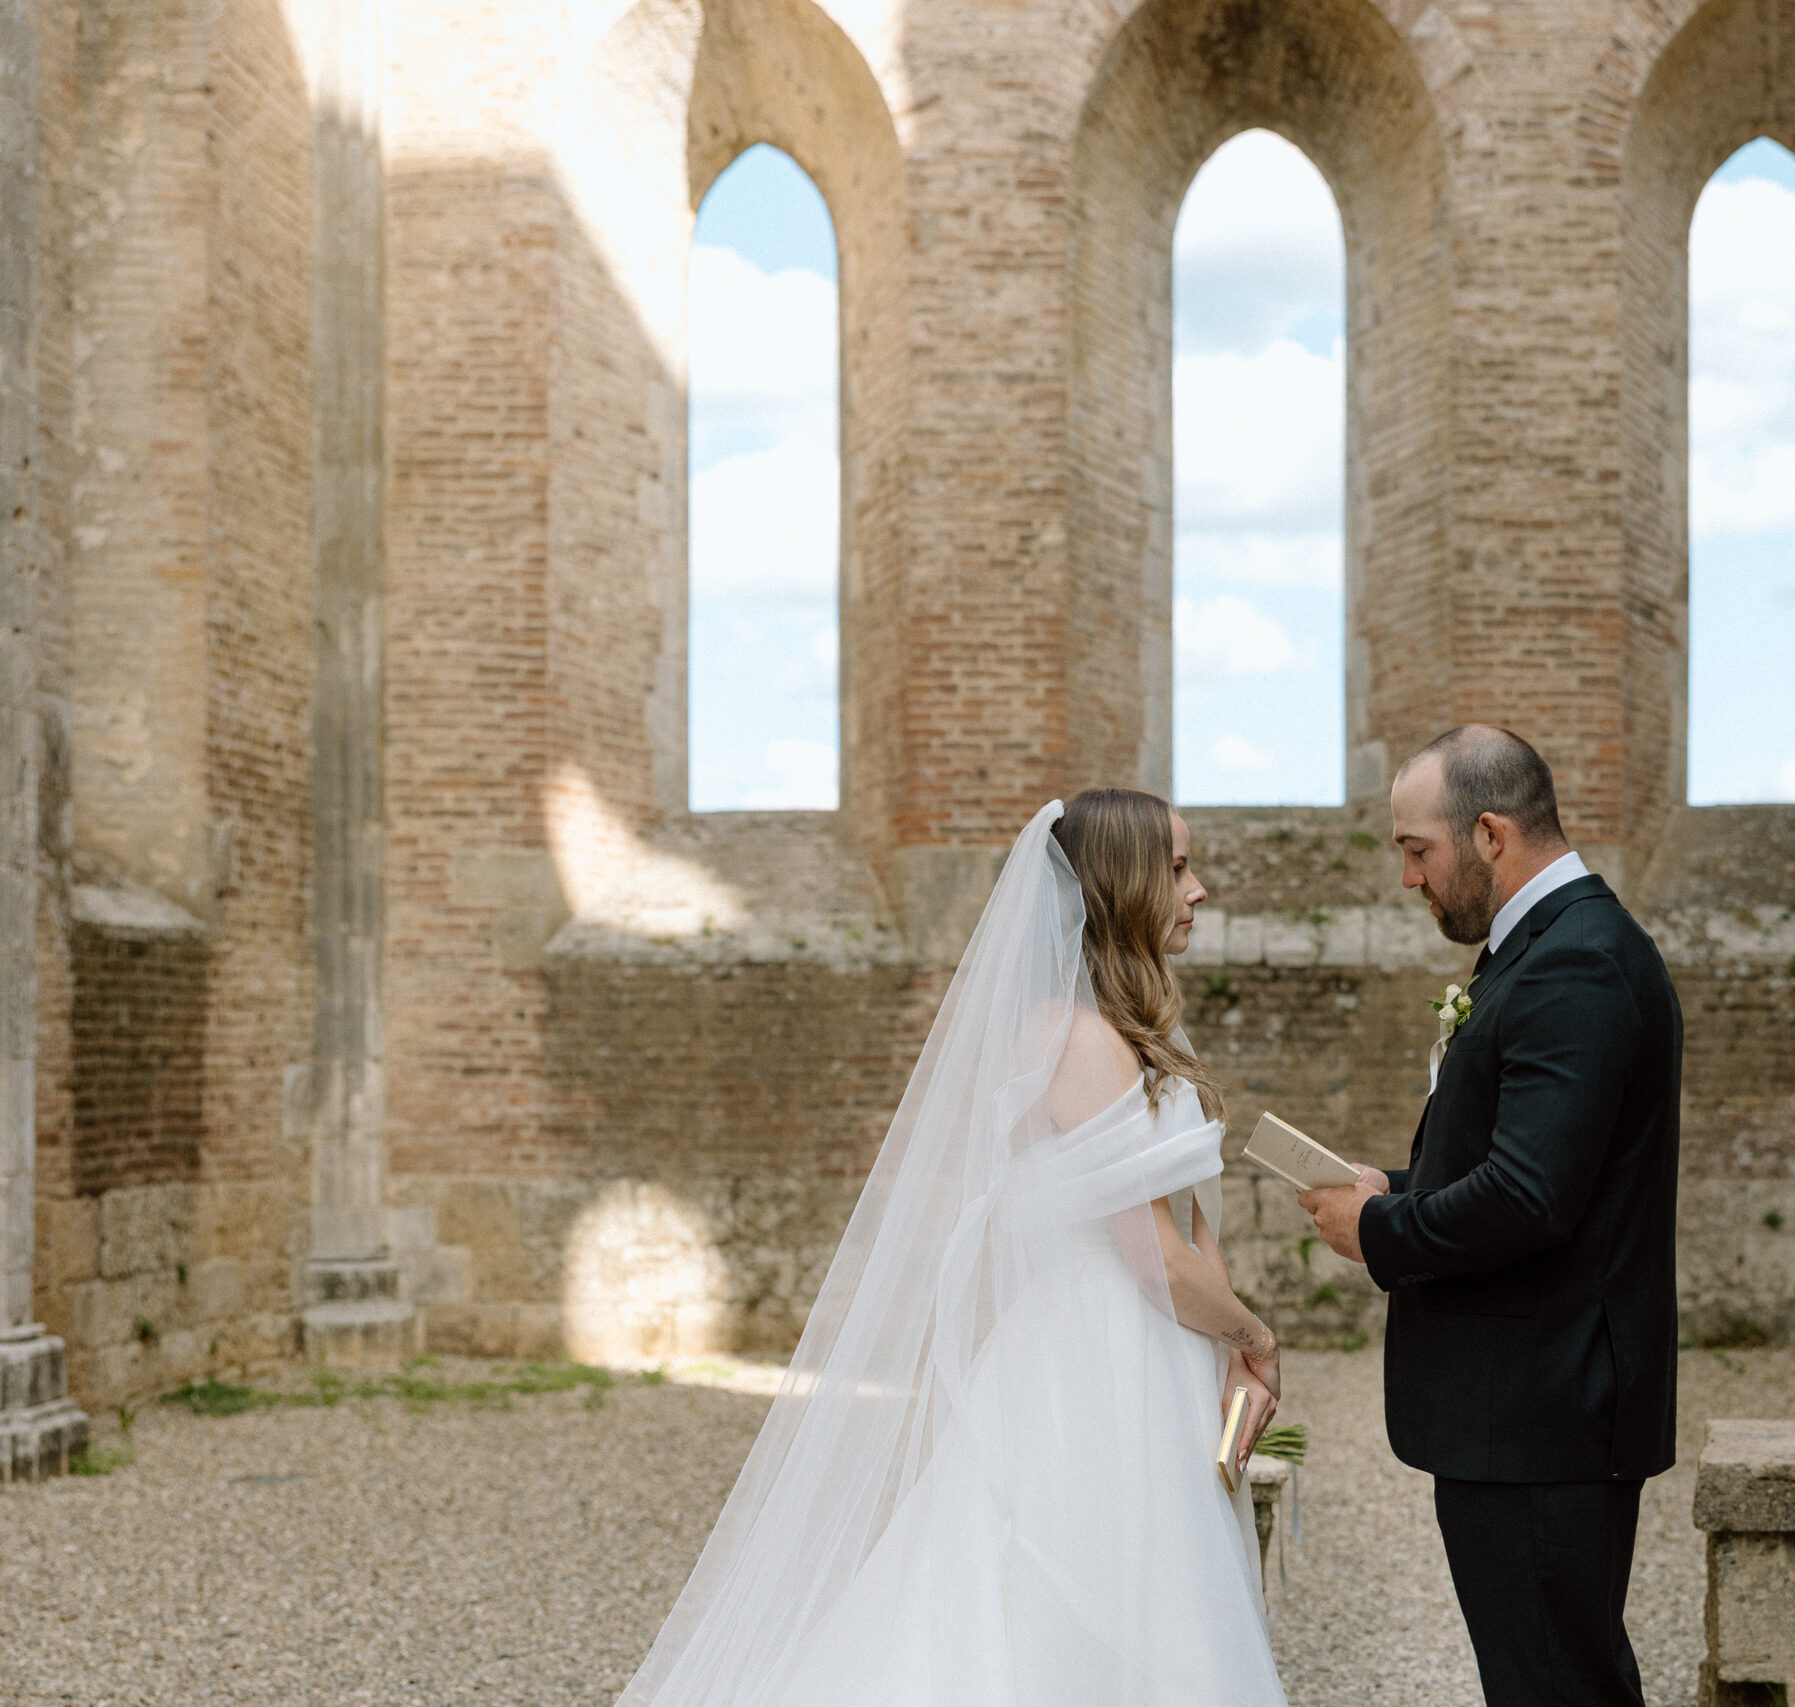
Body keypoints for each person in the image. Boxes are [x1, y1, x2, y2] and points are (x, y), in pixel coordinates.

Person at [615, 790, 1289, 1707]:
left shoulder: (1136, 1030)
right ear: (1121, 884)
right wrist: (1254, 1334)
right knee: (1067, 1586)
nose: (1197, 889)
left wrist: (1220, 1340)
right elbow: (1153, 1256)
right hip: (1095, 1353)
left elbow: (1185, 1227)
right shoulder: (1080, 1039)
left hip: (1154, 1343)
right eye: (1175, 868)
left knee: (1148, 1576)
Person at [1299, 725, 1683, 1707]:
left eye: (1415, 851)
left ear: (1488, 833)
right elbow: (1528, 1161)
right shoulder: (1546, 950)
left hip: (1543, 1411)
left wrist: (1378, 1233)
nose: (1406, 879)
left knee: (1557, 1686)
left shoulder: (1577, 965)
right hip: (1528, 1408)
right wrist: (1395, 1182)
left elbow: (1530, 1196)